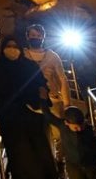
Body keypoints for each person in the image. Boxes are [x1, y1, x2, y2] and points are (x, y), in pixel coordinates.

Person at [0, 36, 63, 179]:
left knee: (41, 155)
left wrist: (43, 94)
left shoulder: (29, 66)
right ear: (2, 49)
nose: (12, 49)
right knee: (21, 163)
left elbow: (41, 83)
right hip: (11, 121)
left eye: (15, 46)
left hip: (32, 115)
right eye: (8, 46)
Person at [24, 23, 70, 168]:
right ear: (27, 37)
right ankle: (41, 162)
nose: (35, 38)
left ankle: (59, 160)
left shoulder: (52, 56)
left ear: (43, 37)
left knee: (59, 133)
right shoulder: (23, 55)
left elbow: (62, 78)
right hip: (31, 101)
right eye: (32, 35)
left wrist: (67, 102)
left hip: (53, 99)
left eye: (38, 36)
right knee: (36, 133)